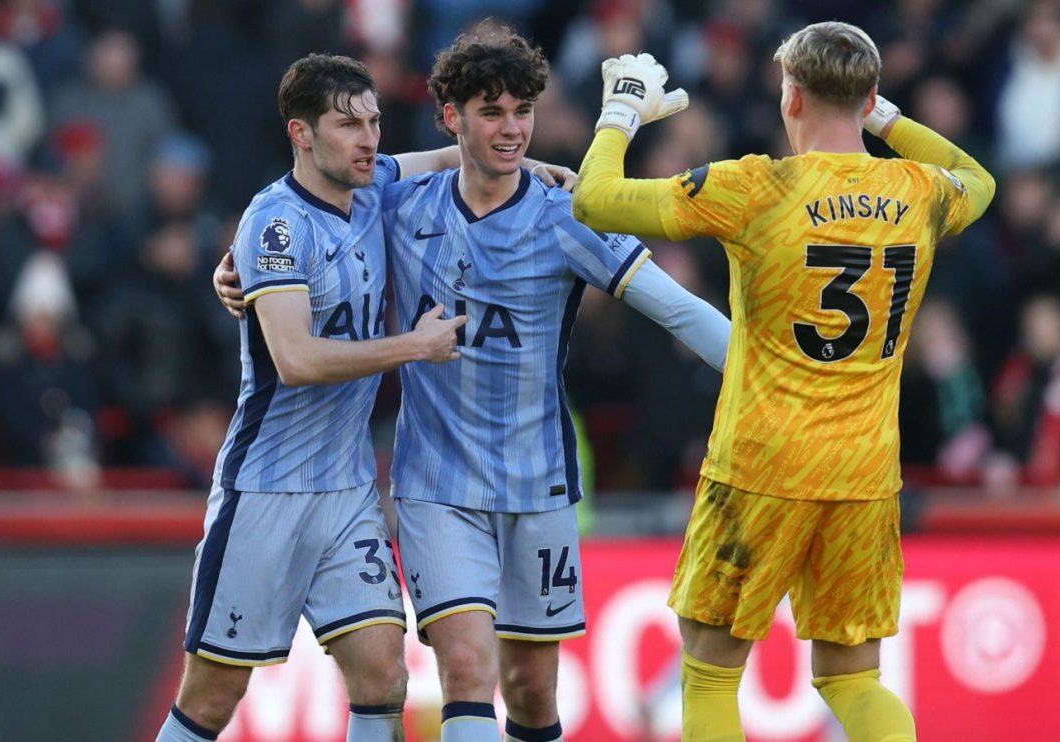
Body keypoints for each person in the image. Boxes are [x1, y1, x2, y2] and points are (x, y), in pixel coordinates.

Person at [214, 24, 730, 742]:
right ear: (451, 118)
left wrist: (770, 377)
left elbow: (677, 308)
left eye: (523, 112)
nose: (512, 129)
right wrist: (238, 269)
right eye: (492, 112)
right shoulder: (399, 207)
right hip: (436, 486)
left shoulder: (566, 216)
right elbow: (305, 208)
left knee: (531, 691)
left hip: (539, 484)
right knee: (464, 667)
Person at [572, 21, 996, 742]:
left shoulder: (758, 187)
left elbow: (595, 201)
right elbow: (980, 180)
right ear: (867, 100)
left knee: (708, 674)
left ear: (790, 96)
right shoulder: (920, 189)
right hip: (864, 470)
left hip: (761, 464)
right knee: (854, 679)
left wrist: (621, 110)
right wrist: (887, 116)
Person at [155, 53, 470, 742]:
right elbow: (295, 361)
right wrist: (413, 346)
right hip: (266, 491)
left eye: (374, 120)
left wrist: (536, 171)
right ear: (301, 134)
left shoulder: (371, 186)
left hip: (347, 489)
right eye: (347, 124)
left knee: (384, 677)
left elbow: (449, 158)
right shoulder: (274, 227)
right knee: (211, 699)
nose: (369, 139)